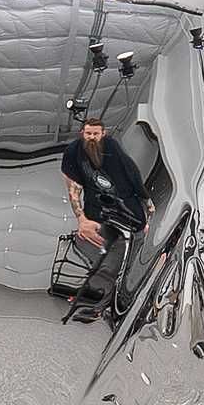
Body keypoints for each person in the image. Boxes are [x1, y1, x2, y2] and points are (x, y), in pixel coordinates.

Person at [55, 111, 153, 313]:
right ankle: (97, 296)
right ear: (82, 134)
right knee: (104, 258)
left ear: (103, 134)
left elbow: (133, 176)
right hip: (98, 215)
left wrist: (147, 205)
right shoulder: (74, 152)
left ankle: (110, 297)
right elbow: (73, 188)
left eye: (96, 134)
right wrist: (81, 219)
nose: (92, 138)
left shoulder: (113, 148)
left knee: (124, 260)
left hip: (129, 214)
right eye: (88, 134)